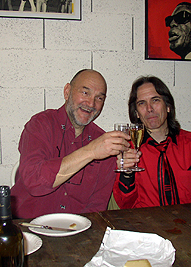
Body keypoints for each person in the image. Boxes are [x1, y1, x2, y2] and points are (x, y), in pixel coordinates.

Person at [11, 69, 130, 219]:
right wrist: (90, 152)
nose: (91, 103)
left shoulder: (103, 141)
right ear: (67, 92)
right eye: (85, 93)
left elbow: (97, 207)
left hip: (75, 232)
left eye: (99, 98)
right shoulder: (40, 124)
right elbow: (35, 182)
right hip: (26, 228)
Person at [113, 75, 191, 209]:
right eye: (142, 103)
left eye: (155, 100)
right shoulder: (128, 149)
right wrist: (127, 174)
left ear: (168, 106)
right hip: (147, 223)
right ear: (137, 113)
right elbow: (125, 204)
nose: (149, 108)